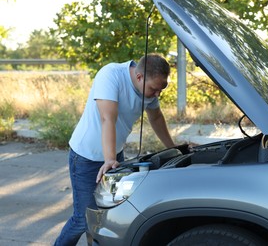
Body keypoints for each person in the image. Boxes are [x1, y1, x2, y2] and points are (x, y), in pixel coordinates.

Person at [54, 53, 176, 245]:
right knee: (83, 219)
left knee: (106, 219)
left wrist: (174, 148)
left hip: (113, 156)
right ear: (139, 77)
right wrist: (109, 159)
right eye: (154, 89)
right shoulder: (110, 75)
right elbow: (107, 118)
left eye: (160, 90)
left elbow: (156, 118)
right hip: (86, 156)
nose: (157, 94)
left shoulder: (148, 90)